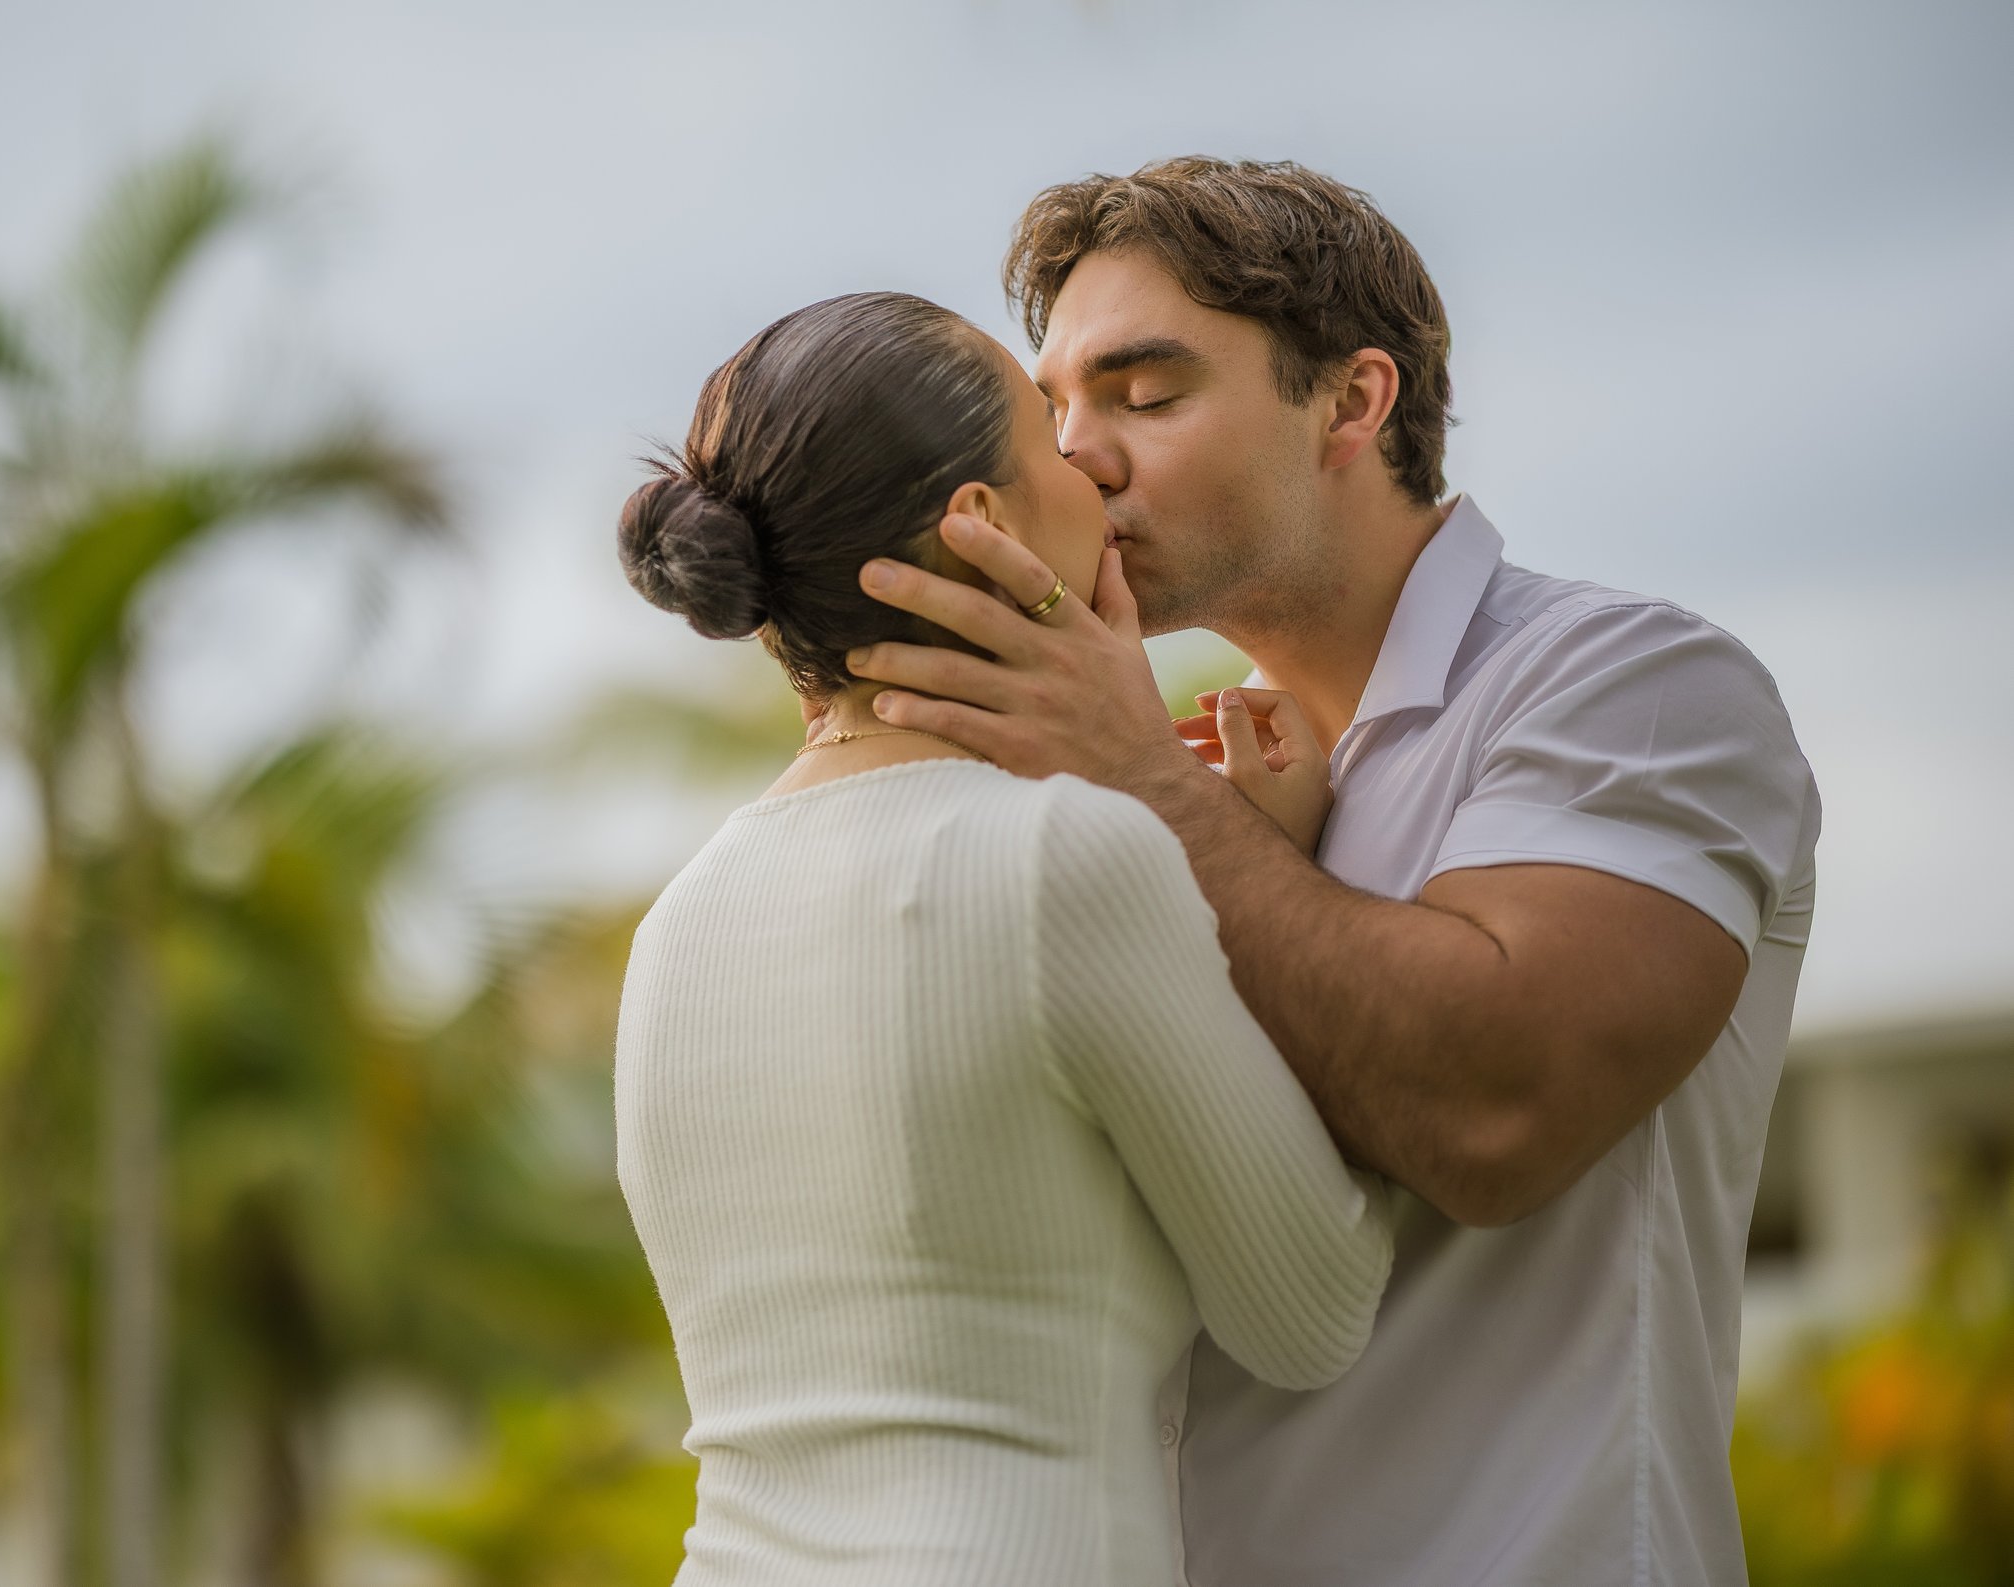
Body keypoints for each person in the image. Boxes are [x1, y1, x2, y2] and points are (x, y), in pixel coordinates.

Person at [841, 159, 1821, 1586]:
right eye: (1060, 408)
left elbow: (1497, 1110)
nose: (1078, 459)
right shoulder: (1186, 779)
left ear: (1355, 404)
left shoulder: (1636, 685)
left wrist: (1145, 789)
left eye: (1147, 395)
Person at [611, 289, 1391, 1586]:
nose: (1090, 462)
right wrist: (1261, 863)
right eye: (1046, 430)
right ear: (983, 525)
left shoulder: (678, 924)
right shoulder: (1063, 863)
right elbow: (1310, 1314)